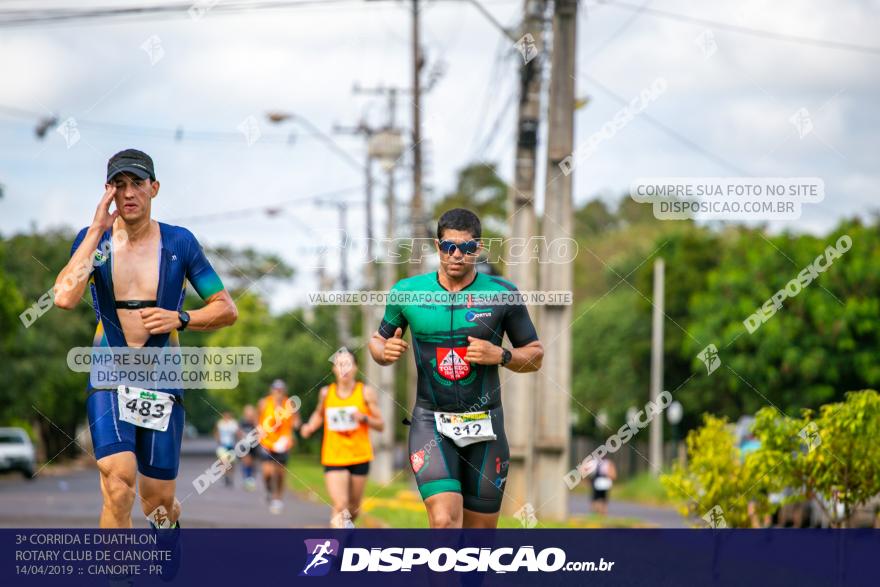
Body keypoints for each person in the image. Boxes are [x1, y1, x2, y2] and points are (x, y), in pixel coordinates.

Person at [53, 149, 237, 530]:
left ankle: (168, 534)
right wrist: (96, 231)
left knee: (158, 502)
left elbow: (226, 308)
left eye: (137, 183)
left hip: (162, 374)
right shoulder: (94, 244)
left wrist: (181, 318)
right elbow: (64, 298)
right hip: (109, 370)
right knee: (118, 484)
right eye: (119, 185)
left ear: (154, 188)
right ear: (108, 193)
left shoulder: (179, 243)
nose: (129, 192)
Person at [368, 208, 544, 529]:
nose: (457, 255)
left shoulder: (502, 294)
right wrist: (384, 352)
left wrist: (501, 355)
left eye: (466, 247)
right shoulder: (407, 293)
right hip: (430, 422)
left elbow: (535, 355)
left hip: (486, 426)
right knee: (444, 522)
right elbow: (376, 342)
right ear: (438, 247)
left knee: (478, 544)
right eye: (449, 247)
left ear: (478, 248)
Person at [300, 349, 384, 528]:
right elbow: (319, 414)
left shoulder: (365, 393)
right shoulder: (326, 393)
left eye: (348, 364)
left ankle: (345, 532)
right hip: (334, 455)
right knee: (340, 505)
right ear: (334, 369)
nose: (344, 369)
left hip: (359, 455)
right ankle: (335, 550)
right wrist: (310, 426)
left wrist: (364, 418)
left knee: (353, 509)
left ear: (356, 368)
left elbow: (381, 424)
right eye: (340, 364)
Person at [258, 379, 300, 514]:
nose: (278, 393)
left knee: (280, 474)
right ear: (272, 391)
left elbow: (296, 419)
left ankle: (278, 499)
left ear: (284, 392)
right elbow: (258, 419)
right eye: (276, 390)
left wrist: (296, 426)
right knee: (267, 473)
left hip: (283, 443)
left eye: (281, 390)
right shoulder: (264, 403)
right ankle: (269, 490)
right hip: (267, 442)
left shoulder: (290, 404)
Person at [214, 411, 239, 487]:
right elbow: (216, 432)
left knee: (231, 463)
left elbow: (237, 433)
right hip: (222, 446)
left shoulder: (233, 423)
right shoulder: (220, 423)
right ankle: (225, 476)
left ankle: (230, 476)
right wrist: (218, 440)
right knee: (224, 462)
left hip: (231, 446)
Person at [238, 405, 258, 491]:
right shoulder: (242, 422)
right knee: (246, 462)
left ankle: (250, 478)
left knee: (252, 463)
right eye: (248, 414)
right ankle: (247, 479)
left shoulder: (255, 422)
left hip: (254, 445)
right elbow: (239, 432)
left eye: (251, 414)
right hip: (244, 445)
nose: (250, 416)